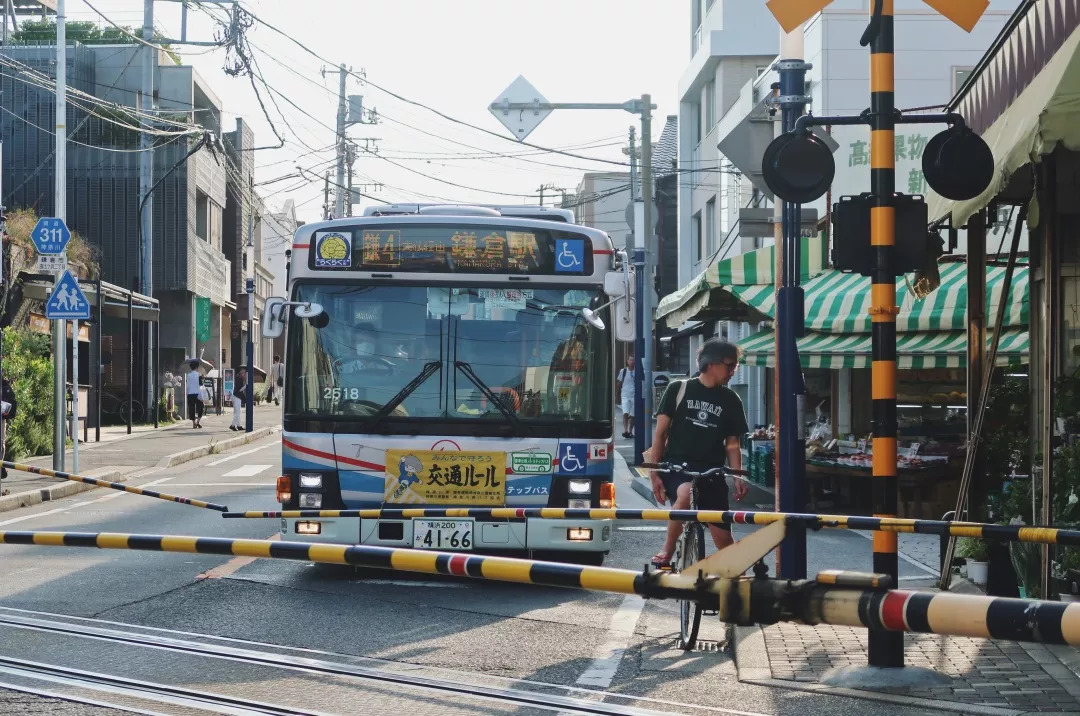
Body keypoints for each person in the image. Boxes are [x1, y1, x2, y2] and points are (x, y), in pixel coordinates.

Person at [648, 339, 749, 568]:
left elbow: (732, 444)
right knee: (685, 493)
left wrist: (737, 475)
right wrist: (654, 473)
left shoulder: (731, 400)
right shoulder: (679, 389)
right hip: (677, 467)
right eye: (730, 365)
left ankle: (737, 585)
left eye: (736, 367)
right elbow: (661, 434)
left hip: (712, 471)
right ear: (711, 363)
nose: (733, 371)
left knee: (724, 539)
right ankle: (668, 547)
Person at [615, 355, 636, 439]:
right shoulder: (623, 371)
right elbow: (619, 383)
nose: (632, 362)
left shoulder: (637, 371)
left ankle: (630, 431)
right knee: (625, 413)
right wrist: (616, 394)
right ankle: (625, 430)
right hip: (625, 395)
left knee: (633, 415)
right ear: (627, 361)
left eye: (633, 360)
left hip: (634, 395)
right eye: (630, 360)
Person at [185, 360, 203, 429]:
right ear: (197, 367)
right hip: (198, 394)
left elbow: (188, 385)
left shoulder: (188, 375)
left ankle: (194, 423)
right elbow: (201, 384)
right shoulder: (199, 375)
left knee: (191, 408)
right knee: (200, 408)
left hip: (190, 393)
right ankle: (198, 421)